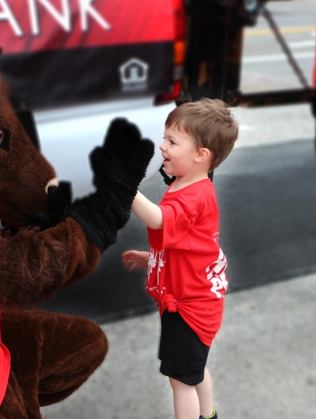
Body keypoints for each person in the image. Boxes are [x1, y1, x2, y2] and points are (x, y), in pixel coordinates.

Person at [122, 98, 238, 419]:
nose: (162, 146)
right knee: (194, 369)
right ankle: (209, 414)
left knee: (180, 380)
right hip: (195, 299)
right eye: (165, 137)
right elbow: (185, 242)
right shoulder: (188, 183)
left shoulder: (194, 195)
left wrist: (125, 188)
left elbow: (159, 219)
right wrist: (153, 258)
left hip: (188, 308)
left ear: (201, 155)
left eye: (172, 141)